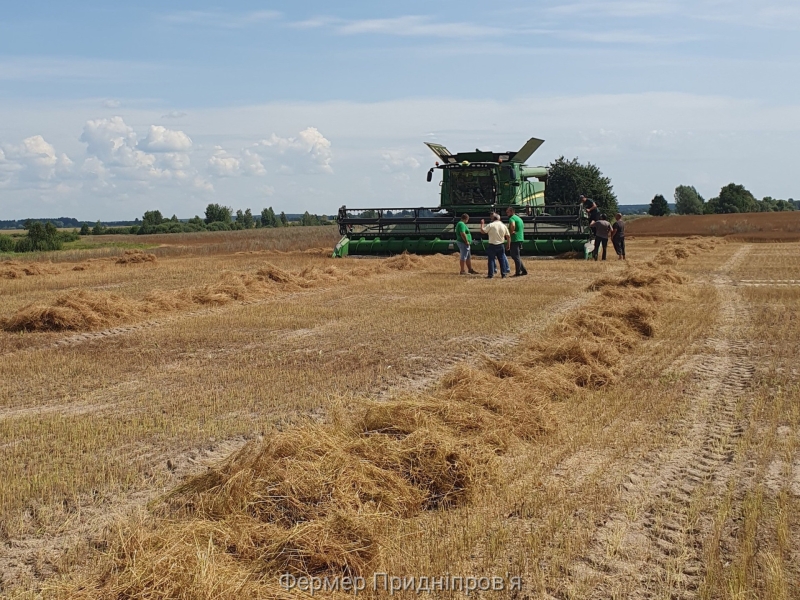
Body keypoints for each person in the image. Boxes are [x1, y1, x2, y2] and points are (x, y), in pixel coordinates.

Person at [479, 213, 510, 279]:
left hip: (492, 245)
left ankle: (491, 275)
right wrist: (508, 244)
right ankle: (503, 274)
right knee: (502, 260)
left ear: (493, 219)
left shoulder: (491, 225)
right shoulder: (503, 226)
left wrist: (482, 224)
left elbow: (483, 231)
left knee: (491, 260)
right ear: (499, 219)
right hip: (501, 245)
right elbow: (508, 236)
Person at [506, 206, 528, 277]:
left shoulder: (512, 218)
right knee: (516, 256)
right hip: (520, 238)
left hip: (515, 239)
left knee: (515, 256)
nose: (507, 213)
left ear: (512, 212)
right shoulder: (519, 218)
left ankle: (518, 272)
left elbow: (512, 225)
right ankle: (523, 270)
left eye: (508, 212)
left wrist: (510, 232)